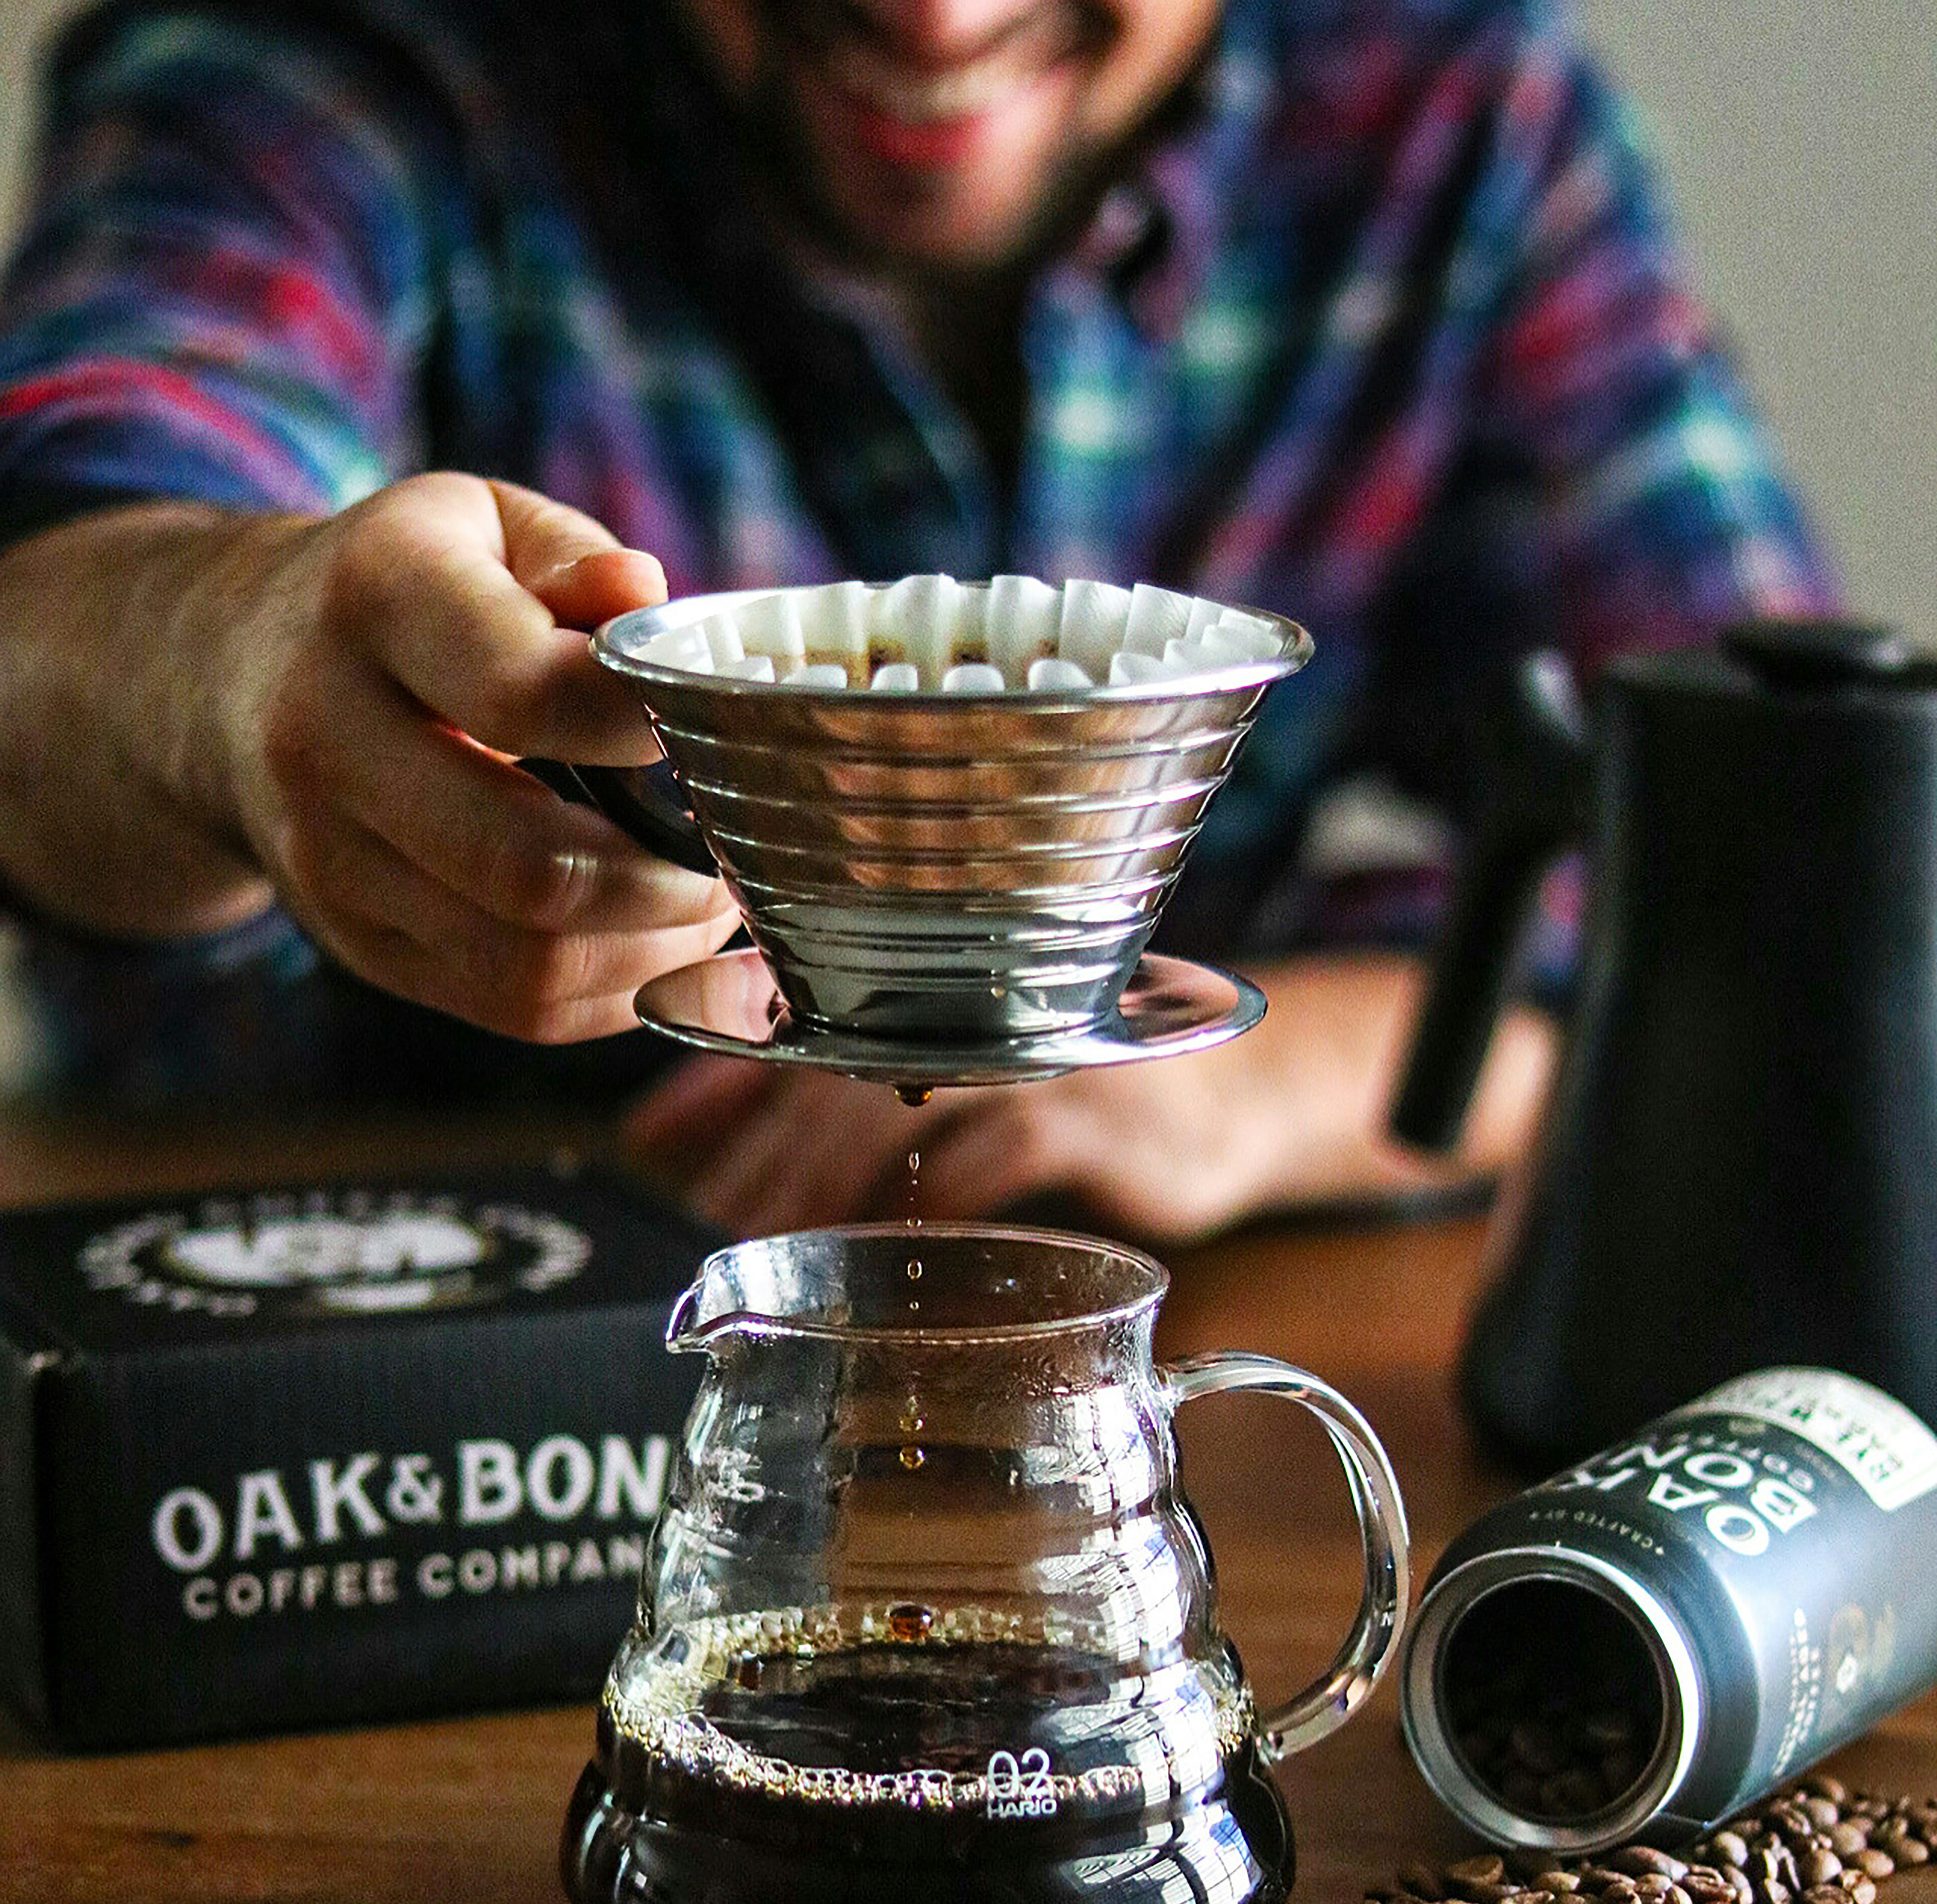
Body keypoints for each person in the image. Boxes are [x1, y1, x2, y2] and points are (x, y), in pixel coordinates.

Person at [0, 0, 1834, 1238]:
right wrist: (231, 653)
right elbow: (62, 605)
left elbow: (1782, 891)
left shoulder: (1451, 117)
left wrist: (1281, 1076)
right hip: (352, 1398)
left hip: (1171, 1406)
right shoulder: (343, 64)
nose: (934, 20)